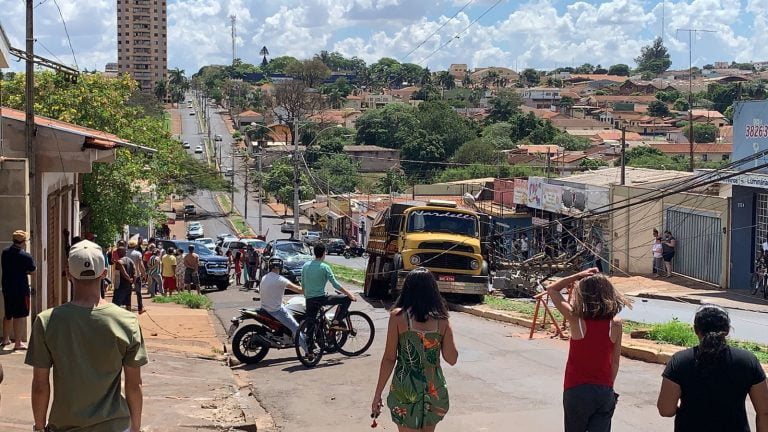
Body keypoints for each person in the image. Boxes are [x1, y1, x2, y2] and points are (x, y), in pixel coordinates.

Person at [25, 240, 147, 432]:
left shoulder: (46, 321)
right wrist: (136, 428)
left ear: (69, 274)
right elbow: (134, 384)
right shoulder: (127, 321)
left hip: (65, 426)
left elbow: (40, 384)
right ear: (104, 273)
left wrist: (39, 427)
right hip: (114, 426)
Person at [371, 268, 458, 430]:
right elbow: (452, 359)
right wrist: (445, 327)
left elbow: (389, 358)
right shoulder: (443, 320)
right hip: (434, 390)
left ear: (407, 290)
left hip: (406, 388)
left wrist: (378, 394)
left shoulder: (398, 317)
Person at [657, 305, 768, 431]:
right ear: (727, 330)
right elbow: (764, 412)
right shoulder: (748, 361)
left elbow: (665, 410)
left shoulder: (680, 361)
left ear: (696, 329)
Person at [547, 268, 631, 432]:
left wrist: (577, 275)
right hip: (603, 390)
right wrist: (609, 387)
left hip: (576, 390)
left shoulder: (576, 319)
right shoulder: (615, 323)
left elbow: (552, 290)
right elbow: (615, 361)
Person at [301, 243, 357, 356]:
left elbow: (303, 284)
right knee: (346, 300)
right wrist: (348, 293)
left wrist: (308, 293)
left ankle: (310, 351)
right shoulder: (324, 267)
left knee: (311, 323)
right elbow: (335, 284)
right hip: (321, 298)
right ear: (324, 253)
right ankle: (336, 322)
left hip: (309, 299)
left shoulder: (305, 266)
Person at [1, 230, 36, 350]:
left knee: (8, 314)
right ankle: (18, 342)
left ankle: (5, 339)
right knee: (19, 316)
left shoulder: (5, 253)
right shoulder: (25, 256)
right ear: (23, 242)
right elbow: (33, 271)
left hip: (7, 288)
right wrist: (25, 271)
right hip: (21, 289)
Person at [259, 258, 305, 346]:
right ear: (280, 267)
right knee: (296, 328)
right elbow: (298, 289)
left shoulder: (265, 277)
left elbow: (270, 292)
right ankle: (308, 352)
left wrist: (282, 301)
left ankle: (285, 334)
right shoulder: (280, 279)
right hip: (275, 311)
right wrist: (309, 290)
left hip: (265, 308)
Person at [127, 240, 146, 313]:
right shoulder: (138, 254)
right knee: (138, 292)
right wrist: (144, 274)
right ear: (135, 246)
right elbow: (141, 265)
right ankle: (140, 309)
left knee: (128, 292)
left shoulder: (125, 253)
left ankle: (128, 308)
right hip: (136, 275)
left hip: (127, 275)